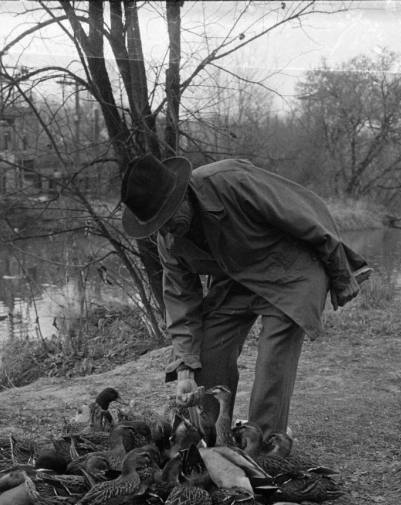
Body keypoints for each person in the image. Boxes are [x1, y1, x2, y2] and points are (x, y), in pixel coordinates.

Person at [120, 153, 371, 447]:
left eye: (169, 218)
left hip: (290, 271)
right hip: (237, 280)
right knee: (207, 354)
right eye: (158, 225)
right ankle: (212, 441)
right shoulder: (169, 241)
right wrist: (185, 368)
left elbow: (305, 212)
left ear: (183, 193)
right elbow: (180, 299)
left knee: (272, 364)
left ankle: (264, 447)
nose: (166, 230)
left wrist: (341, 273)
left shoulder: (232, 181)